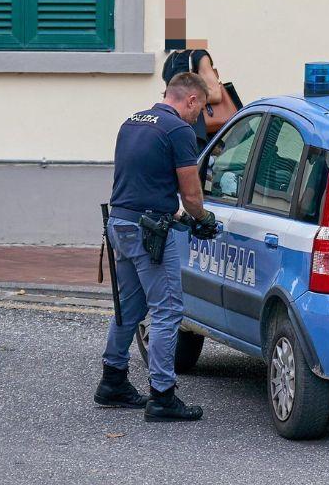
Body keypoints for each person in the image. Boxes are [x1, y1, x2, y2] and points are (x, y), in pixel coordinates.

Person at [93, 72, 219, 422]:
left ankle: (112, 381)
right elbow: (192, 194)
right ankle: (162, 396)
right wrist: (202, 219)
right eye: (202, 108)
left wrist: (174, 212)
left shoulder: (132, 122)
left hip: (120, 223)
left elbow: (142, 183)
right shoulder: (177, 130)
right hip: (150, 233)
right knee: (167, 310)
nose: (200, 117)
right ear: (191, 99)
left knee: (129, 307)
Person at [161, 48, 223, 148]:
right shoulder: (170, 60)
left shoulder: (198, 56)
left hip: (196, 127)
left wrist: (184, 99)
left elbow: (216, 94)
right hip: (175, 126)